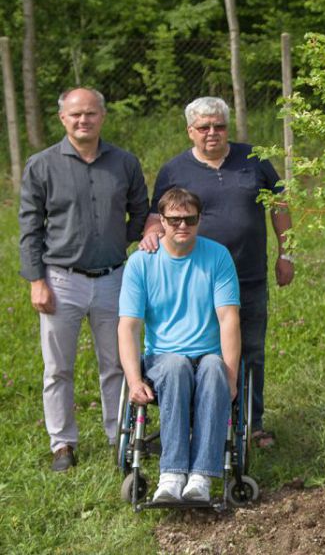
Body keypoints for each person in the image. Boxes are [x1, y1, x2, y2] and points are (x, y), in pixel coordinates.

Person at [140, 96, 292, 448]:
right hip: (195, 281)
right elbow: (157, 215)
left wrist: (288, 253)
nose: (213, 133)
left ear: (228, 128)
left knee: (251, 351)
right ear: (190, 131)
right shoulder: (174, 170)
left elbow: (280, 204)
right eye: (204, 127)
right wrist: (150, 235)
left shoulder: (253, 159)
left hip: (248, 276)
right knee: (204, 353)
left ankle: (252, 423)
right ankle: (201, 420)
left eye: (219, 126)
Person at [18, 87, 149, 472]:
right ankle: (63, 444)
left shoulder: (124, 163)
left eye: (90, 113)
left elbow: (141, 213)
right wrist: (35, 279)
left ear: (102, 117)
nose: (83, 120)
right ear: (62, 119)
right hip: (61, 280)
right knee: (57, 367)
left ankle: (119, 435)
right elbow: (29, 226)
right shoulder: (41, 165)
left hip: (113, 277)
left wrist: (115, 239)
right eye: (75, 115)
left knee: (118, 363)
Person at [119, 188, 241, 502]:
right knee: (174, 366)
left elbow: (228, 318)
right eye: (174, 220)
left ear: (200, 220)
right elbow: (128, 326)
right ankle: (171, 475)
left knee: (216, 368)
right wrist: (134, 380)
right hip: (163, 358)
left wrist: (231, 376)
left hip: (207, 355)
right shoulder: (141, 263)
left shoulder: (217, 256)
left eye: (190, 219)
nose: (182, 226)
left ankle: (201, 476)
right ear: (162, 220)